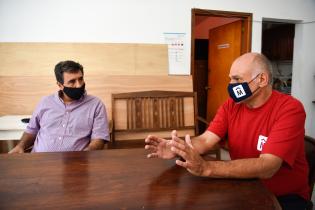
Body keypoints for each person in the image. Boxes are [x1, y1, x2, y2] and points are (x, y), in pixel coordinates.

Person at [145, 53, 309, 210]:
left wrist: (206, 168)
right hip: (245, 185)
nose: (231, 85)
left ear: (262, 79)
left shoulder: (289, 109)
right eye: (230, 79)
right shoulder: (232, 105)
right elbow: (206, 140)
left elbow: (268, 167)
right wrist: (177, 148)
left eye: (237, 79)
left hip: (284, 197)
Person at [9, 60, 110, 153]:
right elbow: (32, 130)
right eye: (72, 81)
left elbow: (99, 139)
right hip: (39, 163)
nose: (79, 85)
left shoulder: (96, 105)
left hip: (76, 165)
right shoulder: (45, 102)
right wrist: (20, 146)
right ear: (60, 85)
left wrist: (83, 158)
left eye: (80, 79)